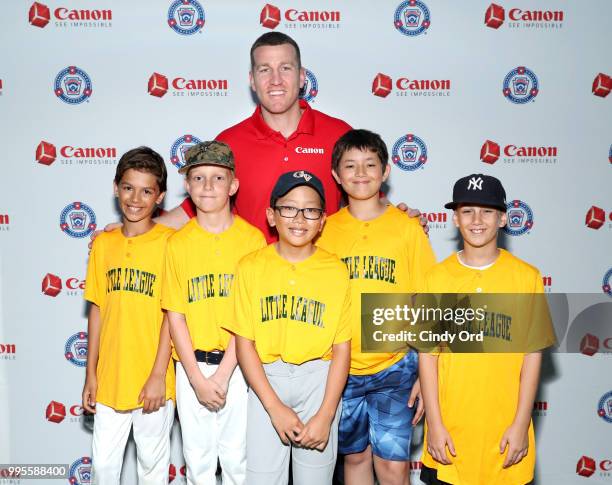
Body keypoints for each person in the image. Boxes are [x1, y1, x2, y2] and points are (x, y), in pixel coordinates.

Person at [156, 32, 426, 240]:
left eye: (285, 68)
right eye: (265, 69)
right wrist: (134, 230)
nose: (275, 80)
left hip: (324, 283)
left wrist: (402, 222)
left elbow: (368, 197)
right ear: (252, 79)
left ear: (301, 77)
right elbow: (195, 208)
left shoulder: (338, 133)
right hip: (253, 289)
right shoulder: (230, 141)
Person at [316, 129, 436, 485]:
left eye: (370, 164)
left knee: (394, 465)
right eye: (350, 166)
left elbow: (425, 302)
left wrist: (427, 377)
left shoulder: (407, 228)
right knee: (354, 459)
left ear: (385, 171)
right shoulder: (324, 230)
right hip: (341, 367)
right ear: (336, 176)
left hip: (395, 366)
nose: (361, 173)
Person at [418, 174, 554, 485]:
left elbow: (532, 358)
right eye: (467, 211)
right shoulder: (436, 279)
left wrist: (521, 425)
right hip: (450, 436)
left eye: (487, 211)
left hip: (505, 438)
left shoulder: (526, 278)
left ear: (504, 217)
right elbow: (428, 358)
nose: (477, 220)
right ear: (454, 219)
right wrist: (435, 425)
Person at [225, 170, 351, 485]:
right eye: (288, 208)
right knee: (262, 478)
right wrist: (272, 406)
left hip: (318, 381)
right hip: (267, 379)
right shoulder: (251, 266)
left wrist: (325, 414)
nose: (299, 218)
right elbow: (244, 343)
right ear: (271, 215)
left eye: (310, 210)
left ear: (323, 220)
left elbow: (342, 348)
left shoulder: (335, 270)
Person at [161, 141, 266, 485]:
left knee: (238, 461)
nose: (208, 186)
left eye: (218, 178)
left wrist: (221, 377)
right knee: (198, 463)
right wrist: (195, 377)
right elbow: (175, 315)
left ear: (233, 185)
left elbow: (249, 317)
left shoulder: (252, 241)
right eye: (199, 177)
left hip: (238, 367)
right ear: (188, 186)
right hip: (192, 366)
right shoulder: (177, 243)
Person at [82, 147, 175, 485]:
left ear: (160, 196)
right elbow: (97, 310)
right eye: (128, 187)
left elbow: (172, 315)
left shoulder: (170, 244)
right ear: (115, 188)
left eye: (147, 190)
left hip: (154, 379)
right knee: (104, 469)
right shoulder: (103, 245)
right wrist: (90, 373)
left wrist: (158, 375)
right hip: (110, 378)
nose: (135, 198)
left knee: (151, 467)